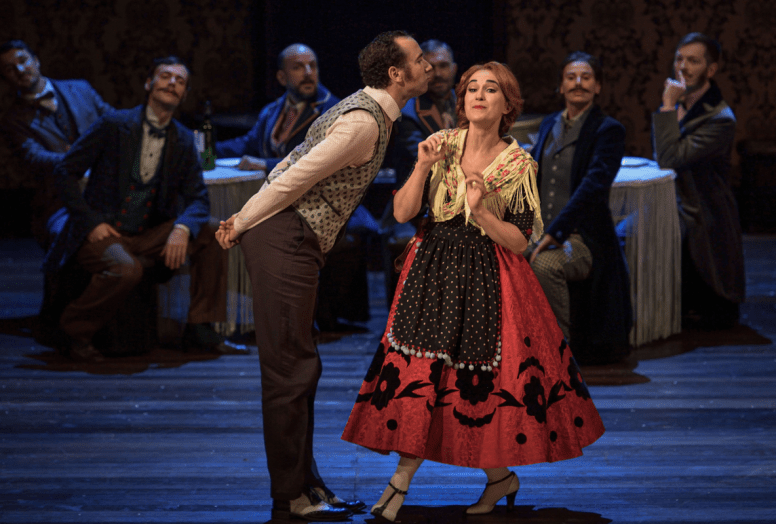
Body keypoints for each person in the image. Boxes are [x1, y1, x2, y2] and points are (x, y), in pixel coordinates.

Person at [341, 62, 605, 522]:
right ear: (462, 101)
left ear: (508, 106)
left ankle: (415, 484)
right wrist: (422, 164)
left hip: (488, 277)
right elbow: (403, 213)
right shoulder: (441, 147)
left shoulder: (518, 163)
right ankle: (475, 479)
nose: (479, 96)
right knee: (421, 378)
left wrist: (482, 213)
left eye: (491, 89)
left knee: (473, 388)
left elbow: (522, 241)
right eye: (472, 89)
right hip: (432, 272)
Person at [215, 31, 432, 521]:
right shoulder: (363, 122)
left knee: (302, 365)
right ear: (396, 74)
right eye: (419, 61)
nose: (429, 66)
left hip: (296, 239)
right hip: (284, 237)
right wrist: (242, 220)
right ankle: (290, 496)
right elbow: (295, 173)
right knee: (289, 369)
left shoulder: (369, 111)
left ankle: (307, 486)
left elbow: (293, 158)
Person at [43, 56, 227, 361]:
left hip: (146, 233)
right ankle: (72, 330)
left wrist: (181, 228)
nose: (172, 83)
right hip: (106, 230)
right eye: (166, 76)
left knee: (215, 232)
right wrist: (90, 223)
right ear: (148, 84)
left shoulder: (183, 139)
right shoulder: (114, 124)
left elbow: (198, 198)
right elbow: (65, 171)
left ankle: (201, 328)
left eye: (180, 81)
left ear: (184, 94)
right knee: (127, 269)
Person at [528, 51, 631, 365]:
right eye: (571, 77)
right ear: (561, 86)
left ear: (597, 86)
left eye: (586, 78)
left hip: (580, 236)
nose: (578, 83)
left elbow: (593, 187)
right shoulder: (548, 123)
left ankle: (558, 353)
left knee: (545, 266)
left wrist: (555, 233)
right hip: (539, 229)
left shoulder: (608, 130)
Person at [652, 32, 744, 329]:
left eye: (694, 61)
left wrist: (667, 107)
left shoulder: (719, 118)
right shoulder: (685, 103)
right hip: (677, 200)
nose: (684, 67)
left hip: (704, 207)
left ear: (711, 69)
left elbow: (669, 158)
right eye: (679, 59)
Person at [0, 39, 113, 247]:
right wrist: (80, 157)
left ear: (36, 61)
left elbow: (115, 124)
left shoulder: (81, 88)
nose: (20, 69)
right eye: (9, 68)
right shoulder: (12, 121)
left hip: (108, 190)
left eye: (23, 60)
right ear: (5, 78)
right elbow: (34, 156)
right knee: (76, 241)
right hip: (60, 202)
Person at [215, 43, 339, 172]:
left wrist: (267, 164)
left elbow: (319, 159)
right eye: (298, 67)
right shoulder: (271, 111)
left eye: (312, 66)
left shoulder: (333, 109)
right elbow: (248, 144)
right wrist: (206, 149)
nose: (308, 73)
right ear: (282, 78)